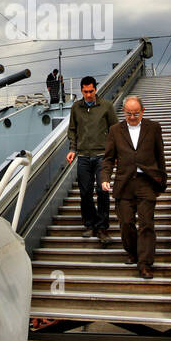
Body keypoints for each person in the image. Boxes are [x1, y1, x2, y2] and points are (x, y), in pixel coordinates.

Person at [100, 96, 168, 279]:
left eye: (136, 113)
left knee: (146, 224)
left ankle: (145, 264)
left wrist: (162, 181)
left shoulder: (153, 128)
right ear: (124, 113)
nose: (132, 117)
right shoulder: (115, 130)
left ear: (143, 111)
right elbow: (108, 158)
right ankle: (133, 252)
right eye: (129, 114)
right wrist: (105, 177)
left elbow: (160, 155)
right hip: (124, 184)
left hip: (146, 182)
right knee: (126, 223)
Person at [66, 76, 118, 243]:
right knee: (85, 192)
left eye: (91, 91)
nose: (88, 95)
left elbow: (115, 130)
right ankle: (90, 224)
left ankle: (102, 228)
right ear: (81, 91)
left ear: (96, 89)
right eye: (85, 91)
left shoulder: (106, 107)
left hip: (102, 156)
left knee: (102, 192)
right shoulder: (76, 108)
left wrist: (114, 154)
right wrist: (73, 149)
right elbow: (72, 130)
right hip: (83, 157)